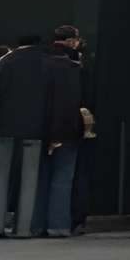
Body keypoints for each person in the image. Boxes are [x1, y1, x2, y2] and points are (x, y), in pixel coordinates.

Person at [0, 30, 50, 239]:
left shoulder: (7, 61)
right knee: (30, 177)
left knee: (0, 175)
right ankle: (23, 228)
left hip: (6, 124)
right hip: (35, 127)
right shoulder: (47, 62)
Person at [37, 27, 92, 239]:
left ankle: (36, 224)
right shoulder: (74, 68)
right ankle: (59, 225)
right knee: (64, 177)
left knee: (41, 177)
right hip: (68, 129)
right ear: (71, 41)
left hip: (39, 128)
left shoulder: (40, 63)